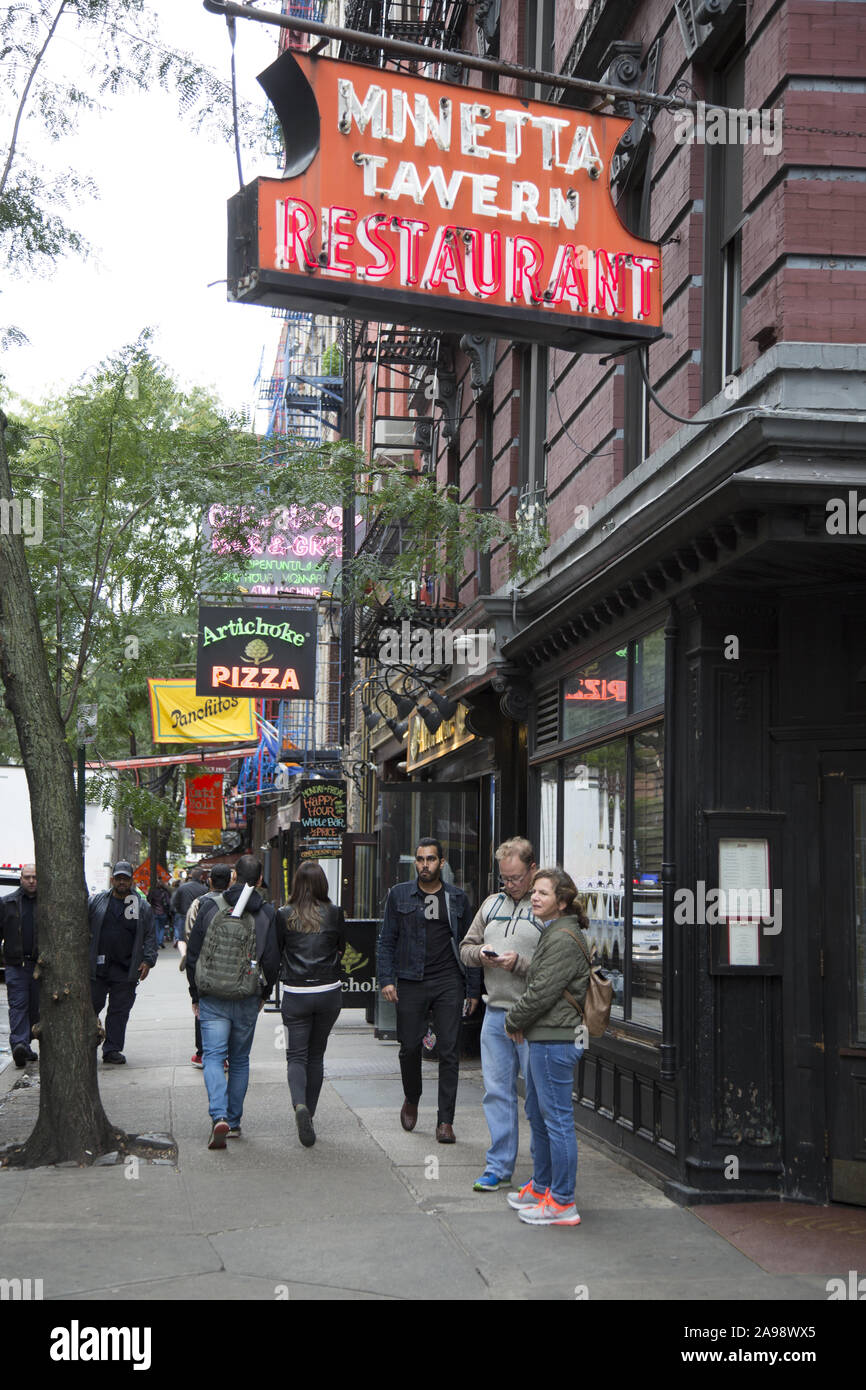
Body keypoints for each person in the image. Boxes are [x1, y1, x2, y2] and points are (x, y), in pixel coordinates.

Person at [378, 837, 480, 1143]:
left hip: (449, 980)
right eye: (420, 860)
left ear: (442, 862)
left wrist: (473, 989)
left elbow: (469, 946)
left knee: (449, 1050)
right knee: (409, 1046)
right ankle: (412, 1096)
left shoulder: (458, 899)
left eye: (431, 859)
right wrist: (386, 979)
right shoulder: (399, 895)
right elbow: (386, 941)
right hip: (411, 979)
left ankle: (445, 1121)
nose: (425, 865)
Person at [505, 868, 590, 1227]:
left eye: (543, 892)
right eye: (534, 891)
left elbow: (542, 991)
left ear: (563, 901)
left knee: (556, 1121)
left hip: (556, 1039)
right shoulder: (554, 932)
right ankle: (543, 1187)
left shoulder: (563, 938)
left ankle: (562, 1202)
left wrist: (513, 1020)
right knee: (540, 1115)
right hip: (545, 1036)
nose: (535, 897)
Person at [459, 837, 543, 1191]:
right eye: (505, 879)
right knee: (496, 1093)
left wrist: (519, 964)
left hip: (534, 1017)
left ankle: (544, 1174)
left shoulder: (545, 908)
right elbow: (464, 948)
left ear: (532, 870)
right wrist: (482, 955)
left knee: (538, 1098)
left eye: (517, 878)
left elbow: (557, 967)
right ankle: (499, 1166)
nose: (510, 885)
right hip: (495, 1013)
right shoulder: (491, 905)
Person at [186, 854, 279, 1149]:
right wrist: (265, 994)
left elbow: (194, 954)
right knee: (240, 1060)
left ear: (235, 876)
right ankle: (235, 1122)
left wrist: (195, 993)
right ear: (261, 880)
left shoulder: (211, 906)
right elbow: (273, 960)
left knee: (213, 1056)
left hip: (213, 995)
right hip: (248, 994)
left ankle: (218, 1116)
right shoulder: (267, 914)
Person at [276, 862, 346, 1149]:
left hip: (296, 994)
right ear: (322, 884)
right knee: (316, 1056)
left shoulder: (283, 914)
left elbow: (277, 950)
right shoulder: (336, 913)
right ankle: (311, 1114)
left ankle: (299, 1106)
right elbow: (341, 947)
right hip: (329, 992)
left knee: (296, 1057)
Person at [88, 861, 158, 1065]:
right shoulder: (97, 902)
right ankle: (87, 1044)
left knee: (119, 1012)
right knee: (91, 1007)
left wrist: (148, 960)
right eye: (118, 878)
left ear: (131, 881)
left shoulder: (141, 906)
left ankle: (112, 1049)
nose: (121, 882)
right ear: (112, 880)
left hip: (126, 968)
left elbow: (149, 936)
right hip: (98, 968)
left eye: (125, 879)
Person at [183, 864, 234, 1068]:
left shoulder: (200, 903)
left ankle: (203, 1052)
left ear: (210, 880)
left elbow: (190, 933)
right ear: (230, 881)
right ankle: (226, 1053)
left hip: (205, 966)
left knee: (203, 1009)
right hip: (231, 964)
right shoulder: (236, 902)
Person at [0, 863, 40, 1067]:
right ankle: (19, 1044)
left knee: (35, 1008)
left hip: (40, 966)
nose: (31, 881)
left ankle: (26, 1045)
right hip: (17, 964)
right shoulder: (8, 903)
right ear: (21, 879)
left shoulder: (47, 904)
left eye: (34, 877)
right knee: (18, 1005)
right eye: (27, 877)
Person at [170, 868, 208, 956]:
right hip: (198, 916)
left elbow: (175, 902)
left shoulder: (182, 887)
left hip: (183, 915)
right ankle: (195, 954)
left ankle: (184, 954)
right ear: (201, 877)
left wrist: (179, 911)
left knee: (181, 938)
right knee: (196, 937)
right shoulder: (204, 889)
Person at [147, 881, 171, 949]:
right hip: (163, 912)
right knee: (162, 927)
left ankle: (157, 943)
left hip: (154, 912)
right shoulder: (165, 893)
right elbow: (168, 902)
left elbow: (148, 899)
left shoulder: (153, 892)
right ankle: (160, 941)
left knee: (156, 928)